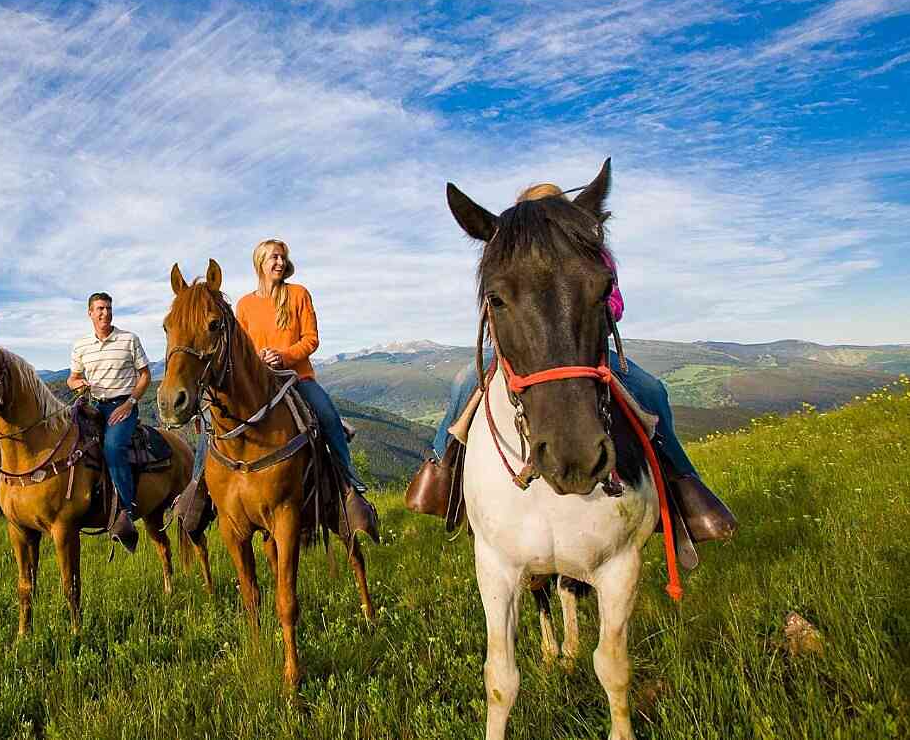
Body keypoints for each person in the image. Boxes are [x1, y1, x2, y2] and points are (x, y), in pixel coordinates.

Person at [431, 183, 737, 542]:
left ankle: (682, 485)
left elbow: (616, 302)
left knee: (651, 390)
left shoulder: (587, 248)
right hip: (525, 348)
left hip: (580, 347)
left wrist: (598, 306)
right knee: (466, 381)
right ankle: (441, 470)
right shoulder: (509, 251)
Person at [201, 238, 380, 542]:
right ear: (260, 262)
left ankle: (349, 487)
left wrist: (283, 356)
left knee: (327, 416)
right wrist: (256, 358)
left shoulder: (298, 295)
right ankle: (199, 494)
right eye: (274, 257)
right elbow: (241, 347)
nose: (280, 263)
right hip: (257, 383)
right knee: (212, 421)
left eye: (282, 258)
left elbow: (311, 339)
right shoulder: (245, 304)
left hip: (297, 378)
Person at [67, 292, 151, 553]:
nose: (105, 313)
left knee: (113, 448)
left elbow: (145, 375)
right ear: (90, 313)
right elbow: (72, 378)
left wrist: (130, 404)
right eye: (100, 309)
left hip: (124, 404)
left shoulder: (129, 339)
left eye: (109, 308)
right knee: (70, 442)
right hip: (95, 406)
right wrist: (77, 383)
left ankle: (126, 510)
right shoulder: (81, 345)